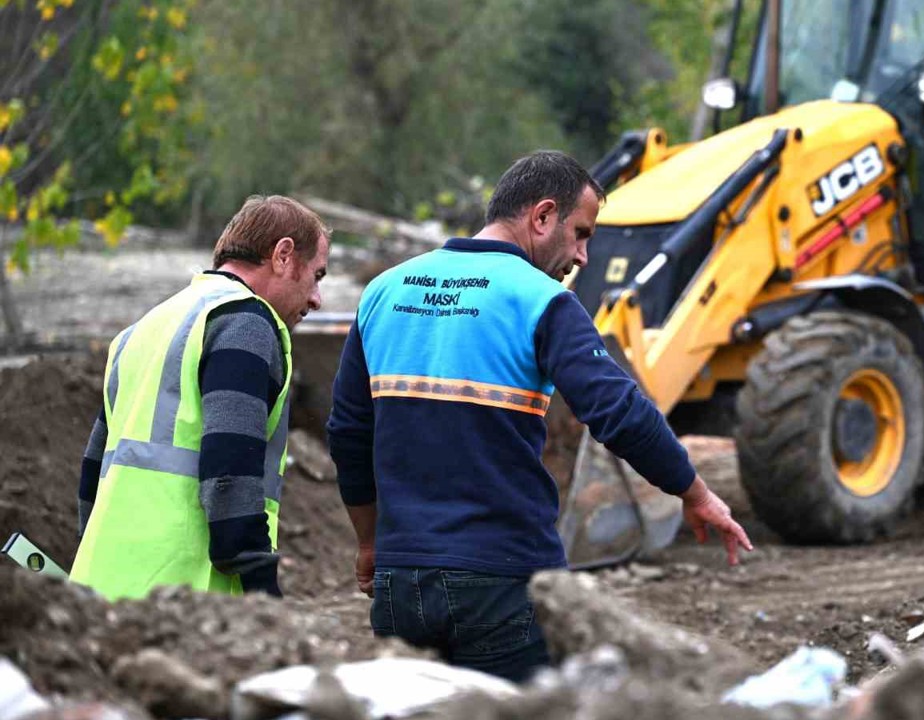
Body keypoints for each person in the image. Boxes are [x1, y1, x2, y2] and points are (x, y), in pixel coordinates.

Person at [327, 151, 752, 683]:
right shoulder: (541, 300)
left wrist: (371, 543)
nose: (582, 256)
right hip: (504, 580)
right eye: (581, 233)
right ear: (542, 216)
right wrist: (695, 493)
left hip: (400, 581)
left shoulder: (384, 291)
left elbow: (347, 431)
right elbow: (618, 411)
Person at [71, 195, 331, 601]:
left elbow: (93, 472)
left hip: (100, 586)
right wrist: (263, 593)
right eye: (317, 275)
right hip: (182, 594)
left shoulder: (142, 329)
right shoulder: (245, 323)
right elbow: (230, 473)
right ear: (283, 255)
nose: (316, 299)